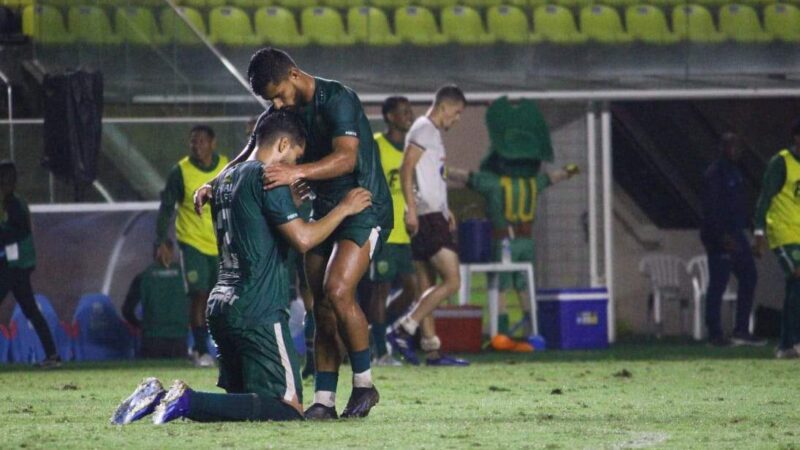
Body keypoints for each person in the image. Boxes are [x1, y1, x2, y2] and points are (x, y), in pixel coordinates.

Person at [111, 110, 373, 425]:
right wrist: (344, 208)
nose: (293, 169)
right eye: (294, 157)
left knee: (245, 406)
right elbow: (303, 240)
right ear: (283, 143)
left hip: (222, 308)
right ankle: (186, 400)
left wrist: (290, 201)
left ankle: (157, 396)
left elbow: (253, 222)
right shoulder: (267, 177)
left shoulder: (222, 179)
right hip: (258, 310)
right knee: (288, 409)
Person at [194, 48, 392, 419]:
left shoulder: (338, 99)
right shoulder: (279, 113)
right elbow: (250, 152)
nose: (278, 104)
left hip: (362, 205)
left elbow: (348, 157)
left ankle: (365, 385)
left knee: (337, 290)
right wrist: (213, 182)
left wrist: (297, 172)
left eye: (280, 94)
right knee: (320, 305)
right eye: (271, 100)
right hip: (324, 208)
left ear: (295, 74)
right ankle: (325, 400)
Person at [386, 85, 470, 367]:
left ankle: (431, 349)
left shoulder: (428, 132)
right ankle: (402, 328)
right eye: (457, 113)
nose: (456, 120)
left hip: (432, 214)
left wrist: (447, 209)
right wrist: (413, 209)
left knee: (427, 286)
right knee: (453, 280)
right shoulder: (424, 129)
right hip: (426, 216)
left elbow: (432, 175)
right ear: (445, 107)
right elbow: (406, 169)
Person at [156, 125, 228, 367]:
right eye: (193, 142)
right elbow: (167, 206)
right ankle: (199, 350)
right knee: (199, 294)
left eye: (201, 141)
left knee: (221, 298)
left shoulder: (225, 167)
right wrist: (162, 241)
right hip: (192, 242)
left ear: (213, 143)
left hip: (220, 244)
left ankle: (223, 348)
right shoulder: (181, 172)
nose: (197, 146)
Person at [700, 132, 764, 347]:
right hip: (719, 236)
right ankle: (715, 334)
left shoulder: (736, 172)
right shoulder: (715, 173)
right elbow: (711, 210)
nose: (737, 151)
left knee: (749, 276)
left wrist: (752, 230)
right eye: (733, 147)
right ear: (723, 148)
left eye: (740, 147)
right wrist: (722, 237)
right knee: (718, 283)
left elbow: (741, 206)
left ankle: (741, 330)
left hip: (736, 233)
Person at [368, 96, 417, 366]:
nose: (408, 116)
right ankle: (380, 351)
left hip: (406, 231)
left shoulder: (412, 148)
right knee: (380, 290)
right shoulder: (377, 145)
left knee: (412, 290)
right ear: (389, 116)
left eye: (410, 112)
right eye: (403, 112)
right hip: (385, 229)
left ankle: (379, 330)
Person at [0, 160, 60, 368]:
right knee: (31, 310)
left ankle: (53, 356)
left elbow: (20, 231)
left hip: (14, 266)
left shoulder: (14, 204)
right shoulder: (9, 202)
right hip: (14, 265)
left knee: (31, 309)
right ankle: (53, 355)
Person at [754, 121, 800, 359]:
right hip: (782, 233)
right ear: (796, 138)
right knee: (798, 277)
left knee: (795, 287)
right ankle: (792, 341)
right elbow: (765, 197)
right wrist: (759, 232)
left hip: (799, 234)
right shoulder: (781, 163)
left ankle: (786, 344)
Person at [122, 239, 189, 359]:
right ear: (172, 251)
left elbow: (127, 310)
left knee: (152, 375)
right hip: (179, 337)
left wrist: (142, 325)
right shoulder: (184, 275)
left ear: (154, 252)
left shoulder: (144, 276)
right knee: (179, 375)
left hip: (152, 338)